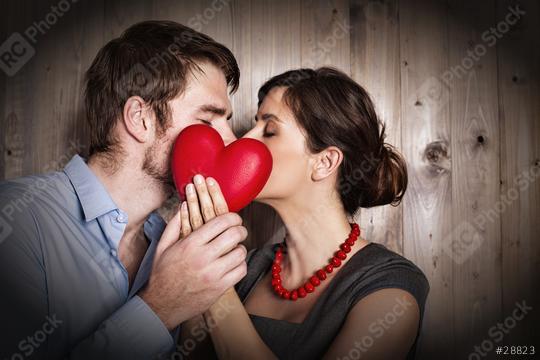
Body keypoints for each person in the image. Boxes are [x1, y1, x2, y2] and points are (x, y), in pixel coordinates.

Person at [0, 21, 249, 359]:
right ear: (139, 118)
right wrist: (160, 306)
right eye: (207, 120)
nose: (232, 141)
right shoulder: (15, 221)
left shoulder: (174, 241)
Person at [178, 68, 430, 359]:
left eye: (269, 131)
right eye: (253, 126)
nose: (241, 141)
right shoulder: (242, 267)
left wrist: (213, 281)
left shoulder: (390, 288)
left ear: (325, 162)